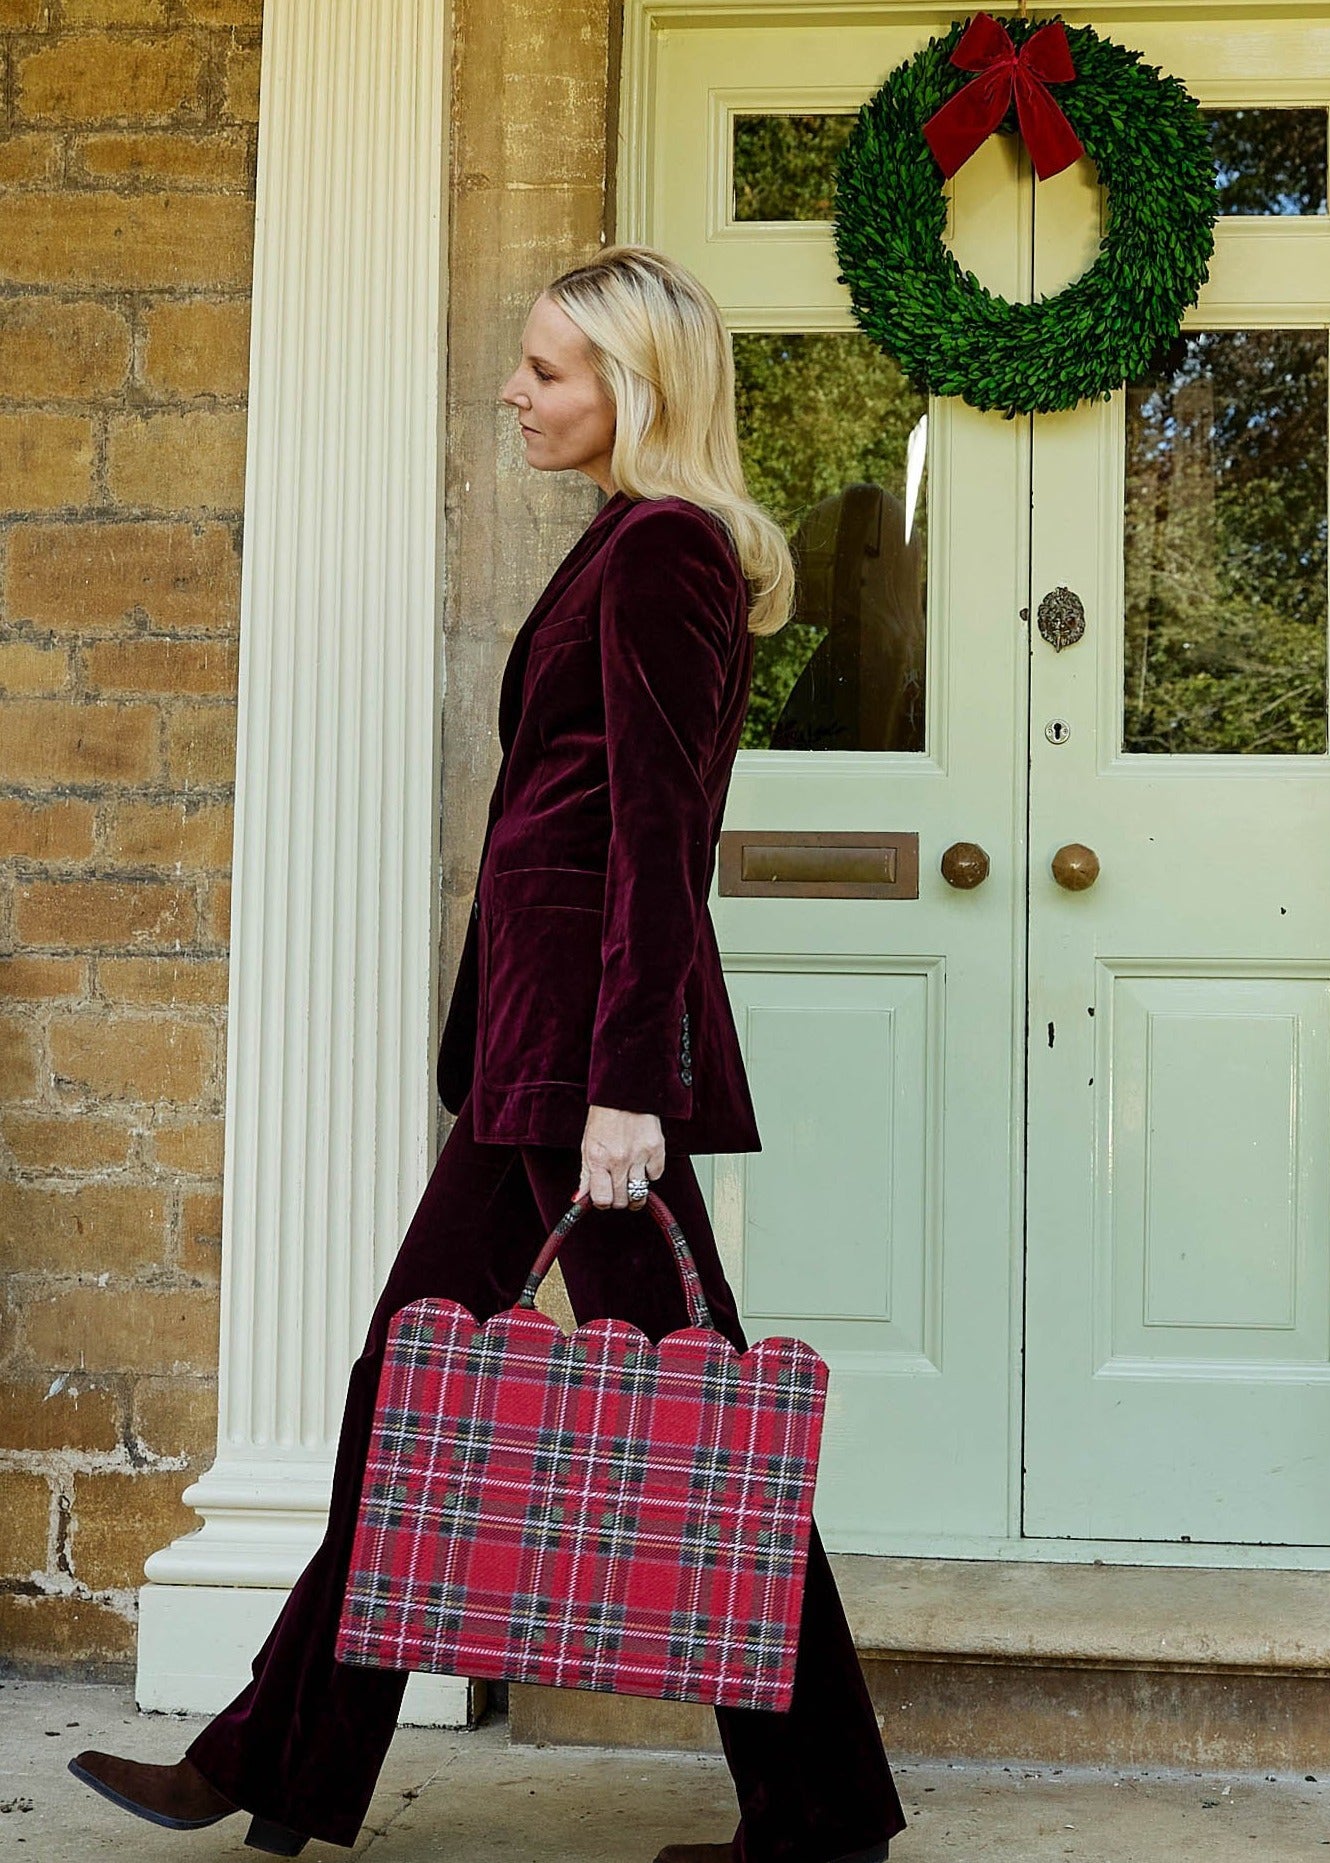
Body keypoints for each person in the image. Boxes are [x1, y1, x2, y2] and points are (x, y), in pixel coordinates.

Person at [67, 245, 906, 1863]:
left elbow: (662, 841)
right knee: (633, 1423)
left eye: (547, 371)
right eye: (523, 366)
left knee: (523, 1414)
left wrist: (623, 1095)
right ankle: (807, 1811)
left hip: (578, 1075)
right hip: (550, 1054)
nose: (515, 393)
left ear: (635, 388)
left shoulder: (664, 552)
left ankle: (276, 1768)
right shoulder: (629, 542)